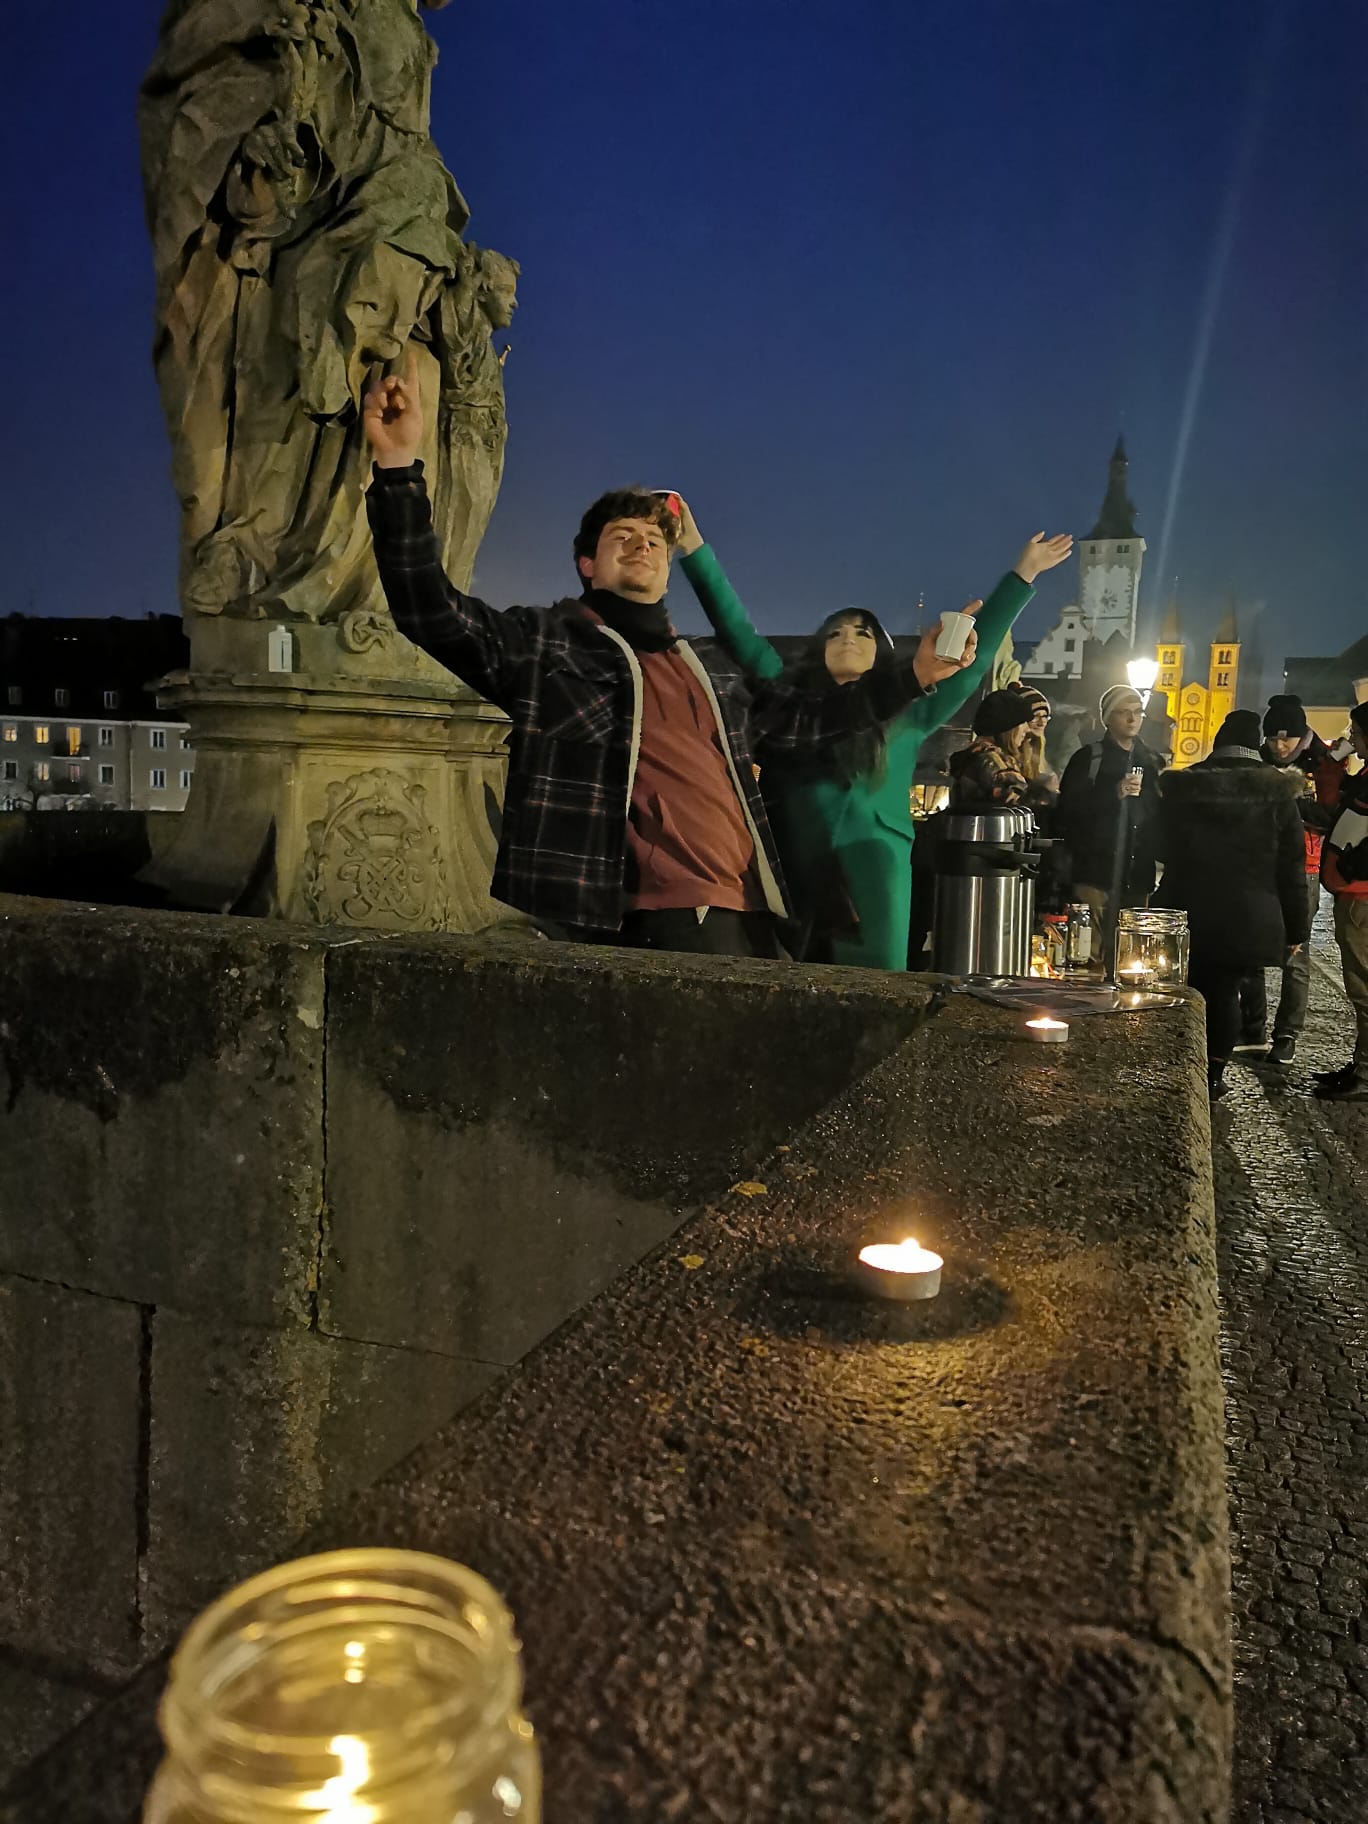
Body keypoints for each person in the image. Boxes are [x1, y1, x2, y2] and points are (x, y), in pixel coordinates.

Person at [359, 353, 976, 955]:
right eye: (621, 536)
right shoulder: (548, 643)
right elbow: (430, 610)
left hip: (752, 911)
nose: (642, 545)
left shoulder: (707, 667)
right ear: (587, 563)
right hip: (648, 913)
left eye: (654, 538)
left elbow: (806, 720)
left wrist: (915, 674)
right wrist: (397, 466)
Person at [675, 510, 1071, 967]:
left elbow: (972, 664)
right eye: (836, 633)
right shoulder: (790, 701)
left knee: (874, 989)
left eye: (862, 633)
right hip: (791, 872)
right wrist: (694, 549)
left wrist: (1022, 575)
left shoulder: (910, 708)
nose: (848, 639)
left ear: (882, 651)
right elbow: (736, 629)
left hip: (873, 881)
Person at [1155, 709, 1311, 1099]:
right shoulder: (1277, 791)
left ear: (1217, 744)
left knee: (1189, 986)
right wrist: (1297, 929)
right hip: (1248, 913)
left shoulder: (1187, 785)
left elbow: (1160, 847)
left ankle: (1183, 1062)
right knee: (1225, 991)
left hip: (1188, 905)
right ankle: (1212, 1073)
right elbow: (1291, 867)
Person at [1236, 694, 1347, 1064]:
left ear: (1302, 736)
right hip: (1261, 863)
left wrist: (1289, 803)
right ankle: (1252, 1027)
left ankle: (1287, 1034)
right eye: (1273, 739)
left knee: (1295, 953)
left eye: (1286, 739)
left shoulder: (1324, 763)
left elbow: (1332, 815)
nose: (1279, 747)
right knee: (1250, 945)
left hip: (1305, 867)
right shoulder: (1259, 761)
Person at [1057, 684, 1162, 953]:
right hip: (1095, 873)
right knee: (1087, 953)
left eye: (1138, 712)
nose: (1132, 719)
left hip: (1137, 875)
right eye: (1124, 712)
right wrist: (1112, 793)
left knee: (1132, 956)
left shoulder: (1150, 760)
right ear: (1108, 718)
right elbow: (1068, 810)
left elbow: (1155, 814)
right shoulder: (1090, 758)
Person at [1314, 701, 1368, 1102]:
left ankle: (1365, 1075)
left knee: (1365, 988)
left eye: (1356, 733)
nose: (1351, 738)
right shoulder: (1365, 775)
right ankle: (1361, 1064)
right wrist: (1335, 761)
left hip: (1362, 894)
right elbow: (1331, 798)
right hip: (1353, 892)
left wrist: (1353, 864)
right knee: (1359, 986)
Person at [948, 689, 1038, 807]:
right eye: (1022, 722)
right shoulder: (992, 760)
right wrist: (1046, 794)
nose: (1027, 729)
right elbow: (1015, 799)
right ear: (1006, 726)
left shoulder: (973, 757)